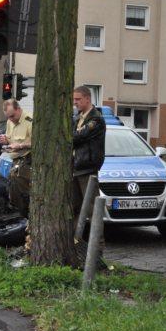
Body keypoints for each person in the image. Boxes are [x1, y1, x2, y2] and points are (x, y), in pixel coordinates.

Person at [72, 86, 106, 228]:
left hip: (87, 170)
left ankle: (97, 247)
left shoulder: (96, 119)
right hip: (75, 168)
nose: (75, 102)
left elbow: (78, 137)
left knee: (93, 211)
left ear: (87, 98)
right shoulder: (77, 118)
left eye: (78, 99)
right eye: (74, 99)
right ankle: (75, 243)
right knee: (74, 208)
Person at [0, 99, 33, 217]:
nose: (11, 119)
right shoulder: (10, 121)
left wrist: (21, 145)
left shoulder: (30, 120)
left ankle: (23, 215)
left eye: (12, 116)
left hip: (27, 159)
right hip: (13, 159)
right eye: (8, 117)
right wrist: (5, 141)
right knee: (7, 185)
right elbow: (10, 139)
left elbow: (38, 142)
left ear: (18, 109)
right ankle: (15, 212)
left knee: (19, 187)